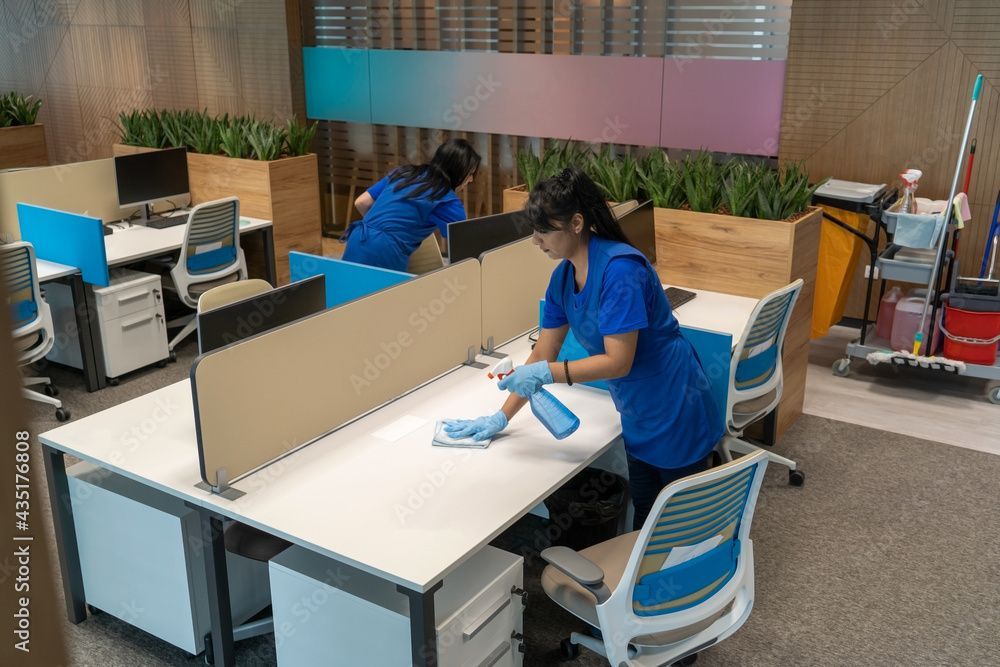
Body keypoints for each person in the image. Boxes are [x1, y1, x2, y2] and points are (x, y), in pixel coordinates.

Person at [444, 167, 723, 529]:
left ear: (576, 223)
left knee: (678, 523)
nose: (535, 240)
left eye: (544, 230)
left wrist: (549, 374)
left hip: (672, 400)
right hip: (637, 408)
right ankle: (643, 581)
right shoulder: (563, 276)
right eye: (534, 230)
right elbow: (543, 352)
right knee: (644, 514)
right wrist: (502, 416)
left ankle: (691, 582)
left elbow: (618, 362)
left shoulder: (619, 271)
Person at [342, 138, 481, 272]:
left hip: (357, 238)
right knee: (387, 295)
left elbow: (362, 202)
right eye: (469, 173)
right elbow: (465, 250)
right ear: (457, 171)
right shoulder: (448, 201)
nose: (471, 179)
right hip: (386, 252)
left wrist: (382, 229)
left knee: (351, 292)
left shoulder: (404, 172)